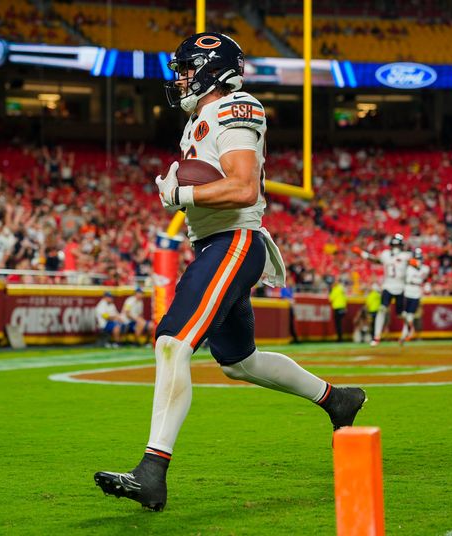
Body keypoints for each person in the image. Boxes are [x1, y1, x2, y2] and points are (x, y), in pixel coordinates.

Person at [95, 32, 365, 512]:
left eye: (185, 69)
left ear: (210, 68)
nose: (178, 79)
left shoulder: (235, 108)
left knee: (172, 341)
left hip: (235, 241)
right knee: (240, 362)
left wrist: (184, 195)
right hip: (216, 244)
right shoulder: (203, 116)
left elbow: (241, 188)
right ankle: (335, 400)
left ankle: (152, 470)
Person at [358, 234, 411, 346]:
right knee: (382, 309)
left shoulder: (406, 256)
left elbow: (415, 263)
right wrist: (362, 254)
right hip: (387, 286)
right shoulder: (386, 255)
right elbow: (376, 260)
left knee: (400, 314)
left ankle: (408, 328)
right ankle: (376, 337)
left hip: (400, 287)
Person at [400, 248, 430, 344]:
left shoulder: (425, 268)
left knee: (410, 315)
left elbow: (425, 278)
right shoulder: (407, 267)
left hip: (416, 291)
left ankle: (404, 335)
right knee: (403, 314)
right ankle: (409, 330)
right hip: (406, 290)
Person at [328, 277, 347, 342]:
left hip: (337, 308)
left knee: (338, 324)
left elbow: (330, 299)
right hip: (342, 307)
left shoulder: (335, 289)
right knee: (339, 324)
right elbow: (344, 297)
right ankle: (340, 338)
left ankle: (340, 339)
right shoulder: (341, 288)